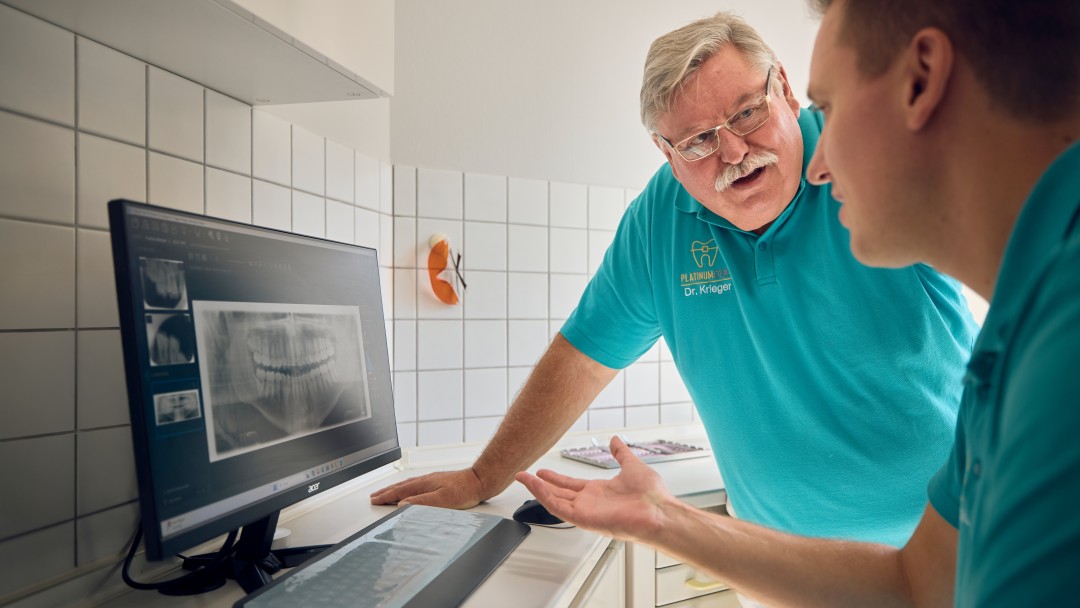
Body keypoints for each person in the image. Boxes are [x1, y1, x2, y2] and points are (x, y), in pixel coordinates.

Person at [517, 0, 1080, 605]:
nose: (818, 164)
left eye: (828, 110)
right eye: (701, 141)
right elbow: (917, 586)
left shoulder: (1055, 353)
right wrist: (663, 520)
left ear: (921, 83)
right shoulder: (1015, 350)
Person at [374, 12, 980, 551]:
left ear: (787, 91)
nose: (734, 150)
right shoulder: (661, 220)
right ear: (666, 153)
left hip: (949, 550)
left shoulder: (863, 154)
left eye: (746, 112)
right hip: (779, 567)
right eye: (696, 142)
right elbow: (582, 359)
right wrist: (483, 478)